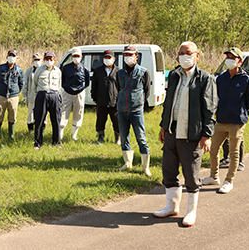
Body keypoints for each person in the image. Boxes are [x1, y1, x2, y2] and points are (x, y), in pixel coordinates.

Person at [153, 41, 217, 227]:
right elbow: (168, 104)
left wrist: (206, 135)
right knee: (169, 171)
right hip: (172, 132)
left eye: (188, 53)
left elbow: (210, 109)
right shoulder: (174, 75)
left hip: (192, 136)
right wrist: (164, 126)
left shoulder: (205, 78)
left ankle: (191, 211)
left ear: (197, 55)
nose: (183, 56)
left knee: (191, 175)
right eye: (180, 53)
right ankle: (171, 207)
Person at [202, 47, 249, 193]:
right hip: (220, 120)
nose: (229, 60)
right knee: (213, 150)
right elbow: (215, 97)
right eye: (228, 57)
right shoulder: (221, 78)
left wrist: (239, 111)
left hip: (236, 122)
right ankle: (214, 176)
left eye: (233, 58)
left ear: (240, 61)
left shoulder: (246, 80)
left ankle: (229, 181)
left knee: (234, 153)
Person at [116, 45, 152, 177]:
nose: (128, 57)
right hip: (121, 110)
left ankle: (145, 167)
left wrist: (138, 103)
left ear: (136, 56)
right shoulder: (119, 73)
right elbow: (118, 89)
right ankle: (127, 163)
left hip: (136, 111)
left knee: (141, 138)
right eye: (126, 55)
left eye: (130, 54)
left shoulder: (143, 72)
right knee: (124, 137)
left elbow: (147, 90)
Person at [0, 49, 24, 142]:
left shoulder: (19, 69)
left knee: (12, 116)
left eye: (13, 56)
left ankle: (11, 136)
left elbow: (21, 83)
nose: (11, 57)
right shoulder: (0, 68)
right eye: (10, 55)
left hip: (13, 96)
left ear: (17, 58)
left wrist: (16, 92)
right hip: (1, 95)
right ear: (6, 57)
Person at [33, 51, 62, 150]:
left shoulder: (58, 71)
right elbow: (34, 84)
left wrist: (58, 96)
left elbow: (59, 85)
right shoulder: (39, 70)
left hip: (54, 95)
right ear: (44, 60)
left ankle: (56, 142)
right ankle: (37, 143)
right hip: (42, 95)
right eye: (47, 59)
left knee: (56, 120)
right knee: (39, 120)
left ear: (54, 60)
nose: (49, 61)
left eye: (51, 59)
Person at [60, 47, 90, 141]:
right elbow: (62, 80)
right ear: (72, 57)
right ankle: (60, 135)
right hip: (67, 92)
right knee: (63, 112)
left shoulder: (85, 68)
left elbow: (87, 82)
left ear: (81, 57)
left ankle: (74, 136)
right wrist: (66, 88)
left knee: (78, 113)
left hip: (79, 93)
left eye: (78, 56)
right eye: (74, 56)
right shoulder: (65, 67)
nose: (76, 58)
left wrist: (80, 89)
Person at [91, 50, 120, 145]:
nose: (107, 59)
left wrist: (119, 99)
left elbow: (121, 87)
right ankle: (100, 138)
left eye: (109, 57)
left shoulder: (119, 71)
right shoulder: (98, 71)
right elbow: (94, 86)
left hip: (114, 102)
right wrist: (95, 98)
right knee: (100, 120)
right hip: (101, 101)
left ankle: (118, 138)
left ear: (114, 59)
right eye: (105, 58)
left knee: (116, 121)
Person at [22, 53, 43, 133]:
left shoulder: (43, 70)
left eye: (38, 60)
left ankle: (41, 129)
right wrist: (24, 95)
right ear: (32, 61)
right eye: (35, 60)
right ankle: (30, 130)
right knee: (31, 113)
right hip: (31, 95)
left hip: (42, 95)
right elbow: (25, 83)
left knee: (42, 113)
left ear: (41, 61)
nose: (37, 61)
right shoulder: (29, 71)